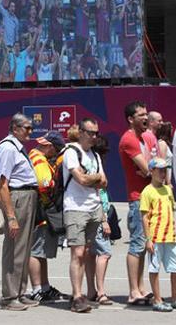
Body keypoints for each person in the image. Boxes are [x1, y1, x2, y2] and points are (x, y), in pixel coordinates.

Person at [0, 113, 39, 311]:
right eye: (27, 128)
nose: (30, 131)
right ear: (15, 128)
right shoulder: (7, 148)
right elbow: (3, 184)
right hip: (17, 198)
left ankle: (19, 292)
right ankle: (9, 296)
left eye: (31, 128)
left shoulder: (17, 148)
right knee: (14, 248)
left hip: (27, 197)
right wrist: (11, 216)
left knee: (24, 247)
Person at [63, 118, 107, 313]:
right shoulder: (71, 152)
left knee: (87, 252)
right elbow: (80, 179)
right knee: (77, 253)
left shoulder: (95, 155)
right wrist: (93, 178)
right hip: (75, 208)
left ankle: (83, 294)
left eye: (96, 133)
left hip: (94, 207)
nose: (94, 137)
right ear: (81, 132)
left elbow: (103, 182)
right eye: (90, 133)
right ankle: (77, 296)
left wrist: (94, 178)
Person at [119, 101, 158, 305]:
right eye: (141, 115)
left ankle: (141, 289)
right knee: (137, 244)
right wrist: (151, 170)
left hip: (150, 197)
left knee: (144, 245)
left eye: (146, 114)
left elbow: (158, 167)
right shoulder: (129, 140)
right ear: (130, 119)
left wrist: (151, 170)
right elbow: (150, 170)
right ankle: (133, 291)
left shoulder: (146, 137)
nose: (146, 117)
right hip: (137, 199)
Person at [141, 158, 176, 312]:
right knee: (154, 268)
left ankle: (174, 298)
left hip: (170, 237)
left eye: (165, 170)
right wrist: (148, 239)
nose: (163, 173)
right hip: (155, 237)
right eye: (160, 170)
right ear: (152, 171)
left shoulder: (168, 189)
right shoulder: (147, 191)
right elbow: (145, 217)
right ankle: (157, 299)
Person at [27, 131, 68, 303]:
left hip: (42, 209)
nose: (41, 146)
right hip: (42, 209)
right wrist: (54, 183)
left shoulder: (37, 155)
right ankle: (37, 288)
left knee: (41, 251)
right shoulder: (39, 158)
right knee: (37, 250)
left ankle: (44, 286)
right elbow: (43, 183)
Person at [86, 135, 113, 306]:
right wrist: (104, 220)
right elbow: (98, 195)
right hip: (97, 214)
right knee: (104, 253)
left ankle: (90, 290)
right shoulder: (95, 169)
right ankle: (101, 291)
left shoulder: (88, 165)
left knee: (90, 253)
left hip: (88, 213)